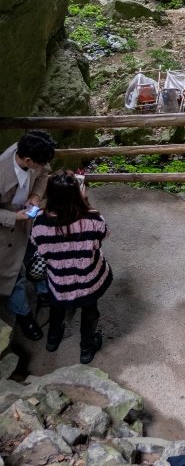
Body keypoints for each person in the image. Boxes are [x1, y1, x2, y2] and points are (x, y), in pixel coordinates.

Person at [31, 170, 112, 364]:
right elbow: (103, 236)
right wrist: (86, 204)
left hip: (59, 280)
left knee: (57, 306)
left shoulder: (40, 222)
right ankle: (86, 348)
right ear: (77, 193)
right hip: (89, 279)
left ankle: (52, 340)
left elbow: (37, 245)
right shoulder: (93, 219)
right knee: (90, 309)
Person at [0, 132, 56, 340]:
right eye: (39, 163)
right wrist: (14, 217)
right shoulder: (1, 171)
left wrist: (36, 195)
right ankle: (24, 314)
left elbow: (43, 174)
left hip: (27, 220)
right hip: (6, 231)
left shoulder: (31, 152)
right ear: (28, 161)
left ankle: (44, 293)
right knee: (15, 275)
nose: (44, 166)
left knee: (35, 256)